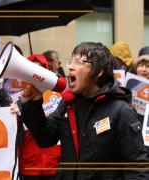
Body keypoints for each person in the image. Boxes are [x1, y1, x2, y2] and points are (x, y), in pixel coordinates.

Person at [19, 42, 149, 180]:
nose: (70, 66)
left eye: (78, 62)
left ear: (99, 71)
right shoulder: (68, 104)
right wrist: (33, 102)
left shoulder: (121, 111)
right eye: (70, 61)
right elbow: (45, 139)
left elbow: (137, 168)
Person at [11, 54, 61, 180]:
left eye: (39, 70)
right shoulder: (21, 98)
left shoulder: (59, 95)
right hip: (30, 164)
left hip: (54, 163)